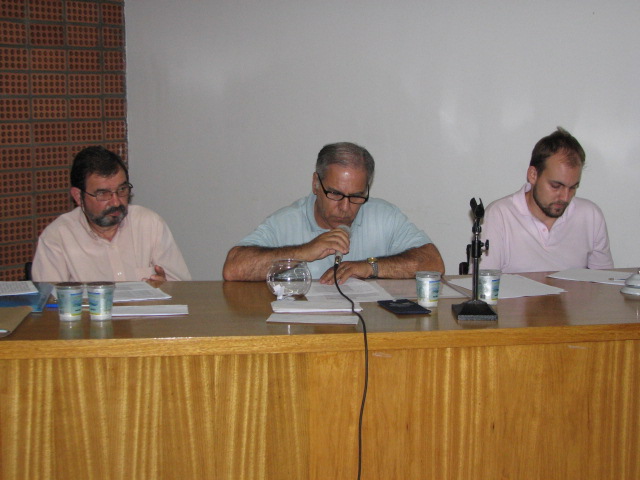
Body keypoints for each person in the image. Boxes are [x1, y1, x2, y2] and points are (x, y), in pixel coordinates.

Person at [223, 142, 444, 284]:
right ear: (315, 184)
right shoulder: (287, 220)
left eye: (356, 196)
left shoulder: (384, 216)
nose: (345, 207)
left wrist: (370, 267)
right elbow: (233, 268)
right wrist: (304, 252)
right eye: (335, 194)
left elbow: (433, 263)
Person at [32, 146, 191, 282]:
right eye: (103, 194)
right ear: (78, 197)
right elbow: (49, 303)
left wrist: (168, 289)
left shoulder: (149, 224)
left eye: (121, 190)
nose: (115, 202)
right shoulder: (57, 238)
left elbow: (184, 290)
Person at [480, 127, 613, 273]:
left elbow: (604, 280)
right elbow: (482, 282)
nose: (565, 197)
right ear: (533, 175)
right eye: (556, 186)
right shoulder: (500, 215)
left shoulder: (591, 215)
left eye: (573, 187)